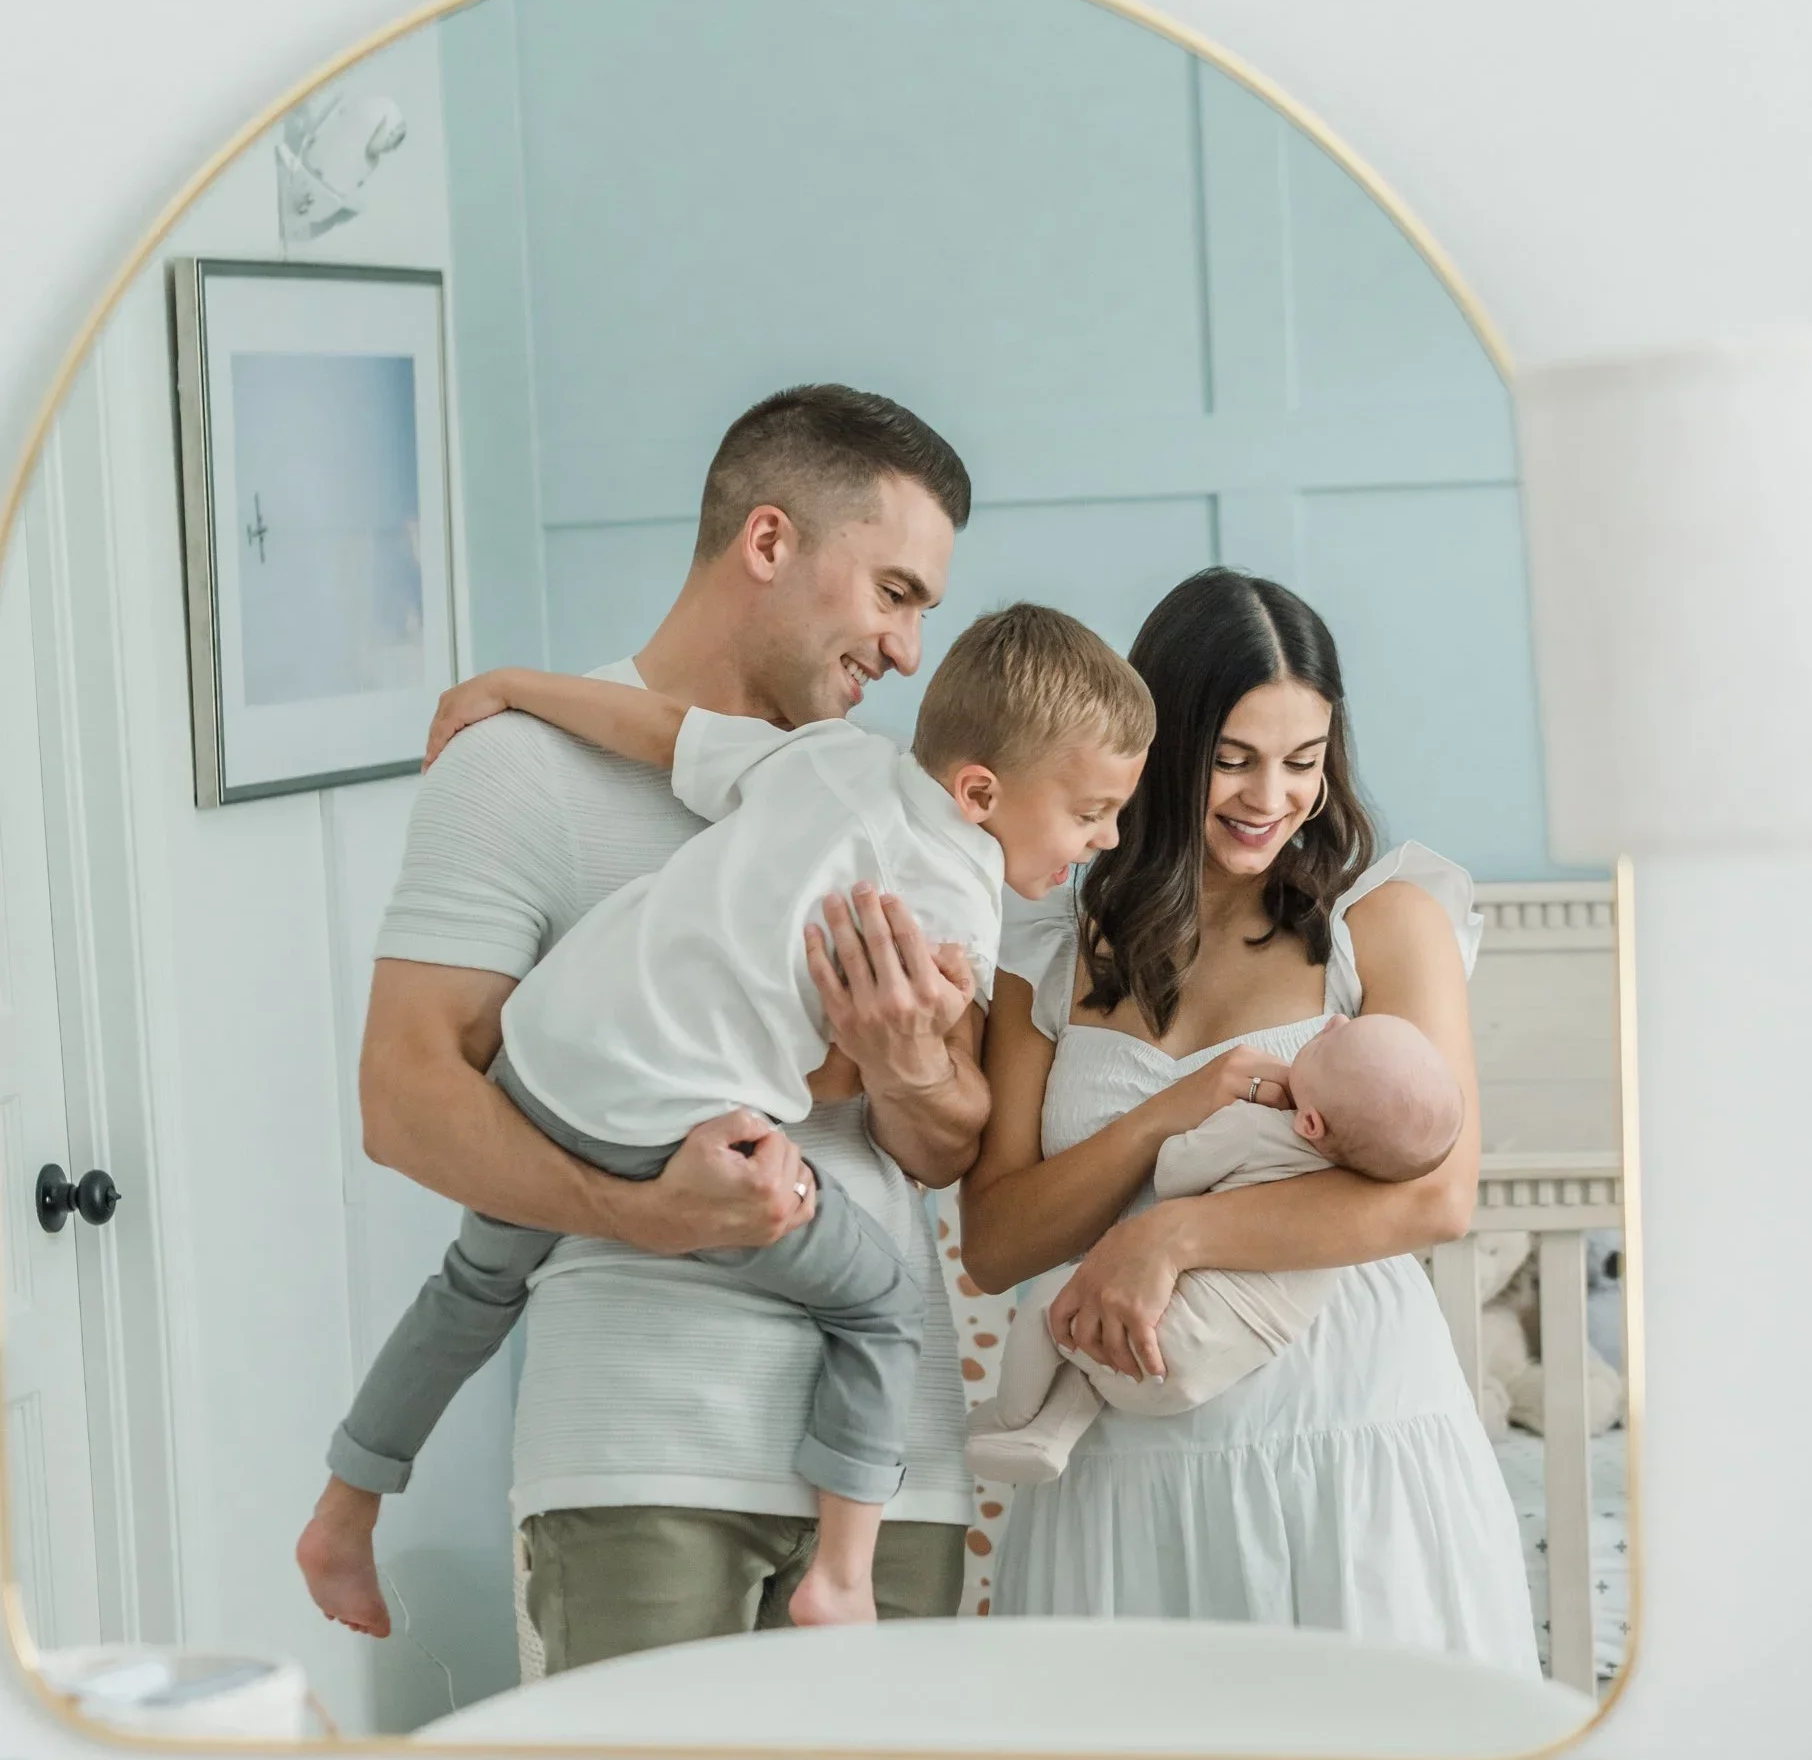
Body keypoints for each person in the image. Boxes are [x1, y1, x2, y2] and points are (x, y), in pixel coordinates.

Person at [297, 384, 993, 1670]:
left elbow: (950, 1147)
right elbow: (404, 1102)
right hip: (641, 1461)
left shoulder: (884, 804)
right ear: (771, 542)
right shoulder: (521, 768)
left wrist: (907, 1066)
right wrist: (638, 1212)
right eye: (893, 593)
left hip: (892, 1482)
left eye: (924, 614)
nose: (907, 653)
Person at [316, 606, 1151, 1627]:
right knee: (878, 1304)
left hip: (543, 1060)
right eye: (1092, 813)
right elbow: (850, 1083)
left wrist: (511, 687)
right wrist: (909, 1044)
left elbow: (662, 733)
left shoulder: (827, 758)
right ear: (981, 793)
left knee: (472, 1287)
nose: (1105, 839)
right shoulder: (955, 898)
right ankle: (842, 1575)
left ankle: (344, 1510)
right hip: (657, 1128)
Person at [961, 566, 1541, 1672]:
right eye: (1231, 759)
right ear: (1158, 745)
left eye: (1303, 761)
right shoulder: (1046, 962)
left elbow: (1436, 1192)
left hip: (1346, 1442)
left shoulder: (1387, 924)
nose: (1268, 796)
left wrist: (1167, 1234)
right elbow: (993, 1243)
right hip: (1120, 1478)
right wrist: (1153, 1127)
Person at [966, 1010, 1462, 1484]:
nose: (1336, 1021)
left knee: (1057, 1312)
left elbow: (1174, 1174)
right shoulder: (1347, 1183)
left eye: (1334, 1041)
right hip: (1228, 1361)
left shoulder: (1254, 1128)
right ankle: (1047, 1436)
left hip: (1161, 1336)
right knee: (1093, 1359)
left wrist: (1185, 1140)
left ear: (1310, 1124)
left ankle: (1011, 1418)